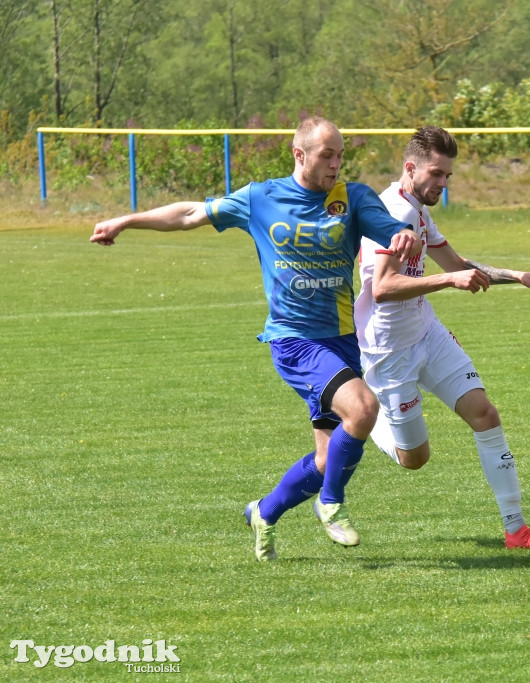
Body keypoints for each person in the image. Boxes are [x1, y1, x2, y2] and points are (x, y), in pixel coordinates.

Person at [91, 117, 420, 562]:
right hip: (295, 341)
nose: (337, 164)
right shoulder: (261, 198)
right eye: (328, 155)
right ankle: (331, 503)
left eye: (341, 155)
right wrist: (126, 220)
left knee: (327, 459)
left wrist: (404, 239)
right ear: (299, 154)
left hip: (341, 342)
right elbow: (190, 213)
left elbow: (398, 236)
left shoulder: (354, 198)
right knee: (362, 409)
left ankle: (264, 512)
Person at [353, 125, 530, 549]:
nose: (443, 183)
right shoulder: (392, 212)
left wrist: (518, 276)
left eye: (448, 175)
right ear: (411, 168)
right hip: (389, 350)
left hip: (426, 333)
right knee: (415, 459)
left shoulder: (419, 209)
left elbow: (458, 262)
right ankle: (361, 414)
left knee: (484, 414)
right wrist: (448, 280)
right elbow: (383, 289)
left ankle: (517, 529)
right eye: (436, 174)